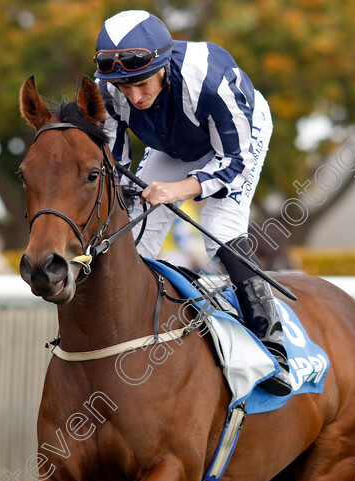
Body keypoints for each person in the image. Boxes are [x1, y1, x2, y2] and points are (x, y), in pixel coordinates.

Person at [94, 10, 290, 394]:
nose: (135, 97)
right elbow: (115, 164)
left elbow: (234, 163)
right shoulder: (106, 90)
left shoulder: (210, 79)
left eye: (142, 83)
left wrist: (176, 190)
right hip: (172, 145)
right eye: (124, 87)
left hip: (233, 141)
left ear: (163, 65)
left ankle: (273, 345)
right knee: (136, 241)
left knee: (219, 233)